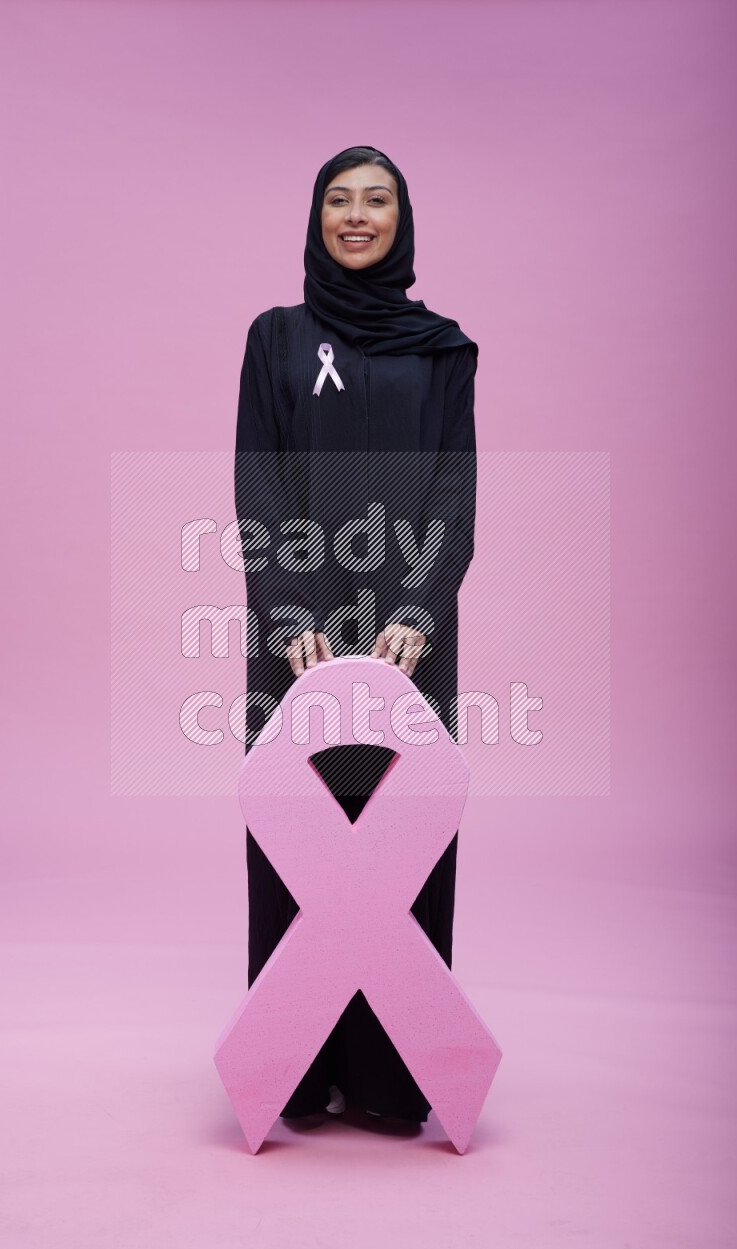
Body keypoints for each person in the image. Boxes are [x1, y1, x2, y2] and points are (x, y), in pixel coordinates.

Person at [234, 145, 478, 1129]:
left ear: (400, 220)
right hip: (295, 636)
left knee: (397, 847)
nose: (356, 215)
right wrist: (288, 613)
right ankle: (291, 1072)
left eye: (375, 200)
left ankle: (386, 1083)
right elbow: (259, 484)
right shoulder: (276, 338)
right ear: (315, 218)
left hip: (407, 644)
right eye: (338, 199)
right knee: (299, 844)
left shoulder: (441, 349)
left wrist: (417, 613)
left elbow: (451, 498)